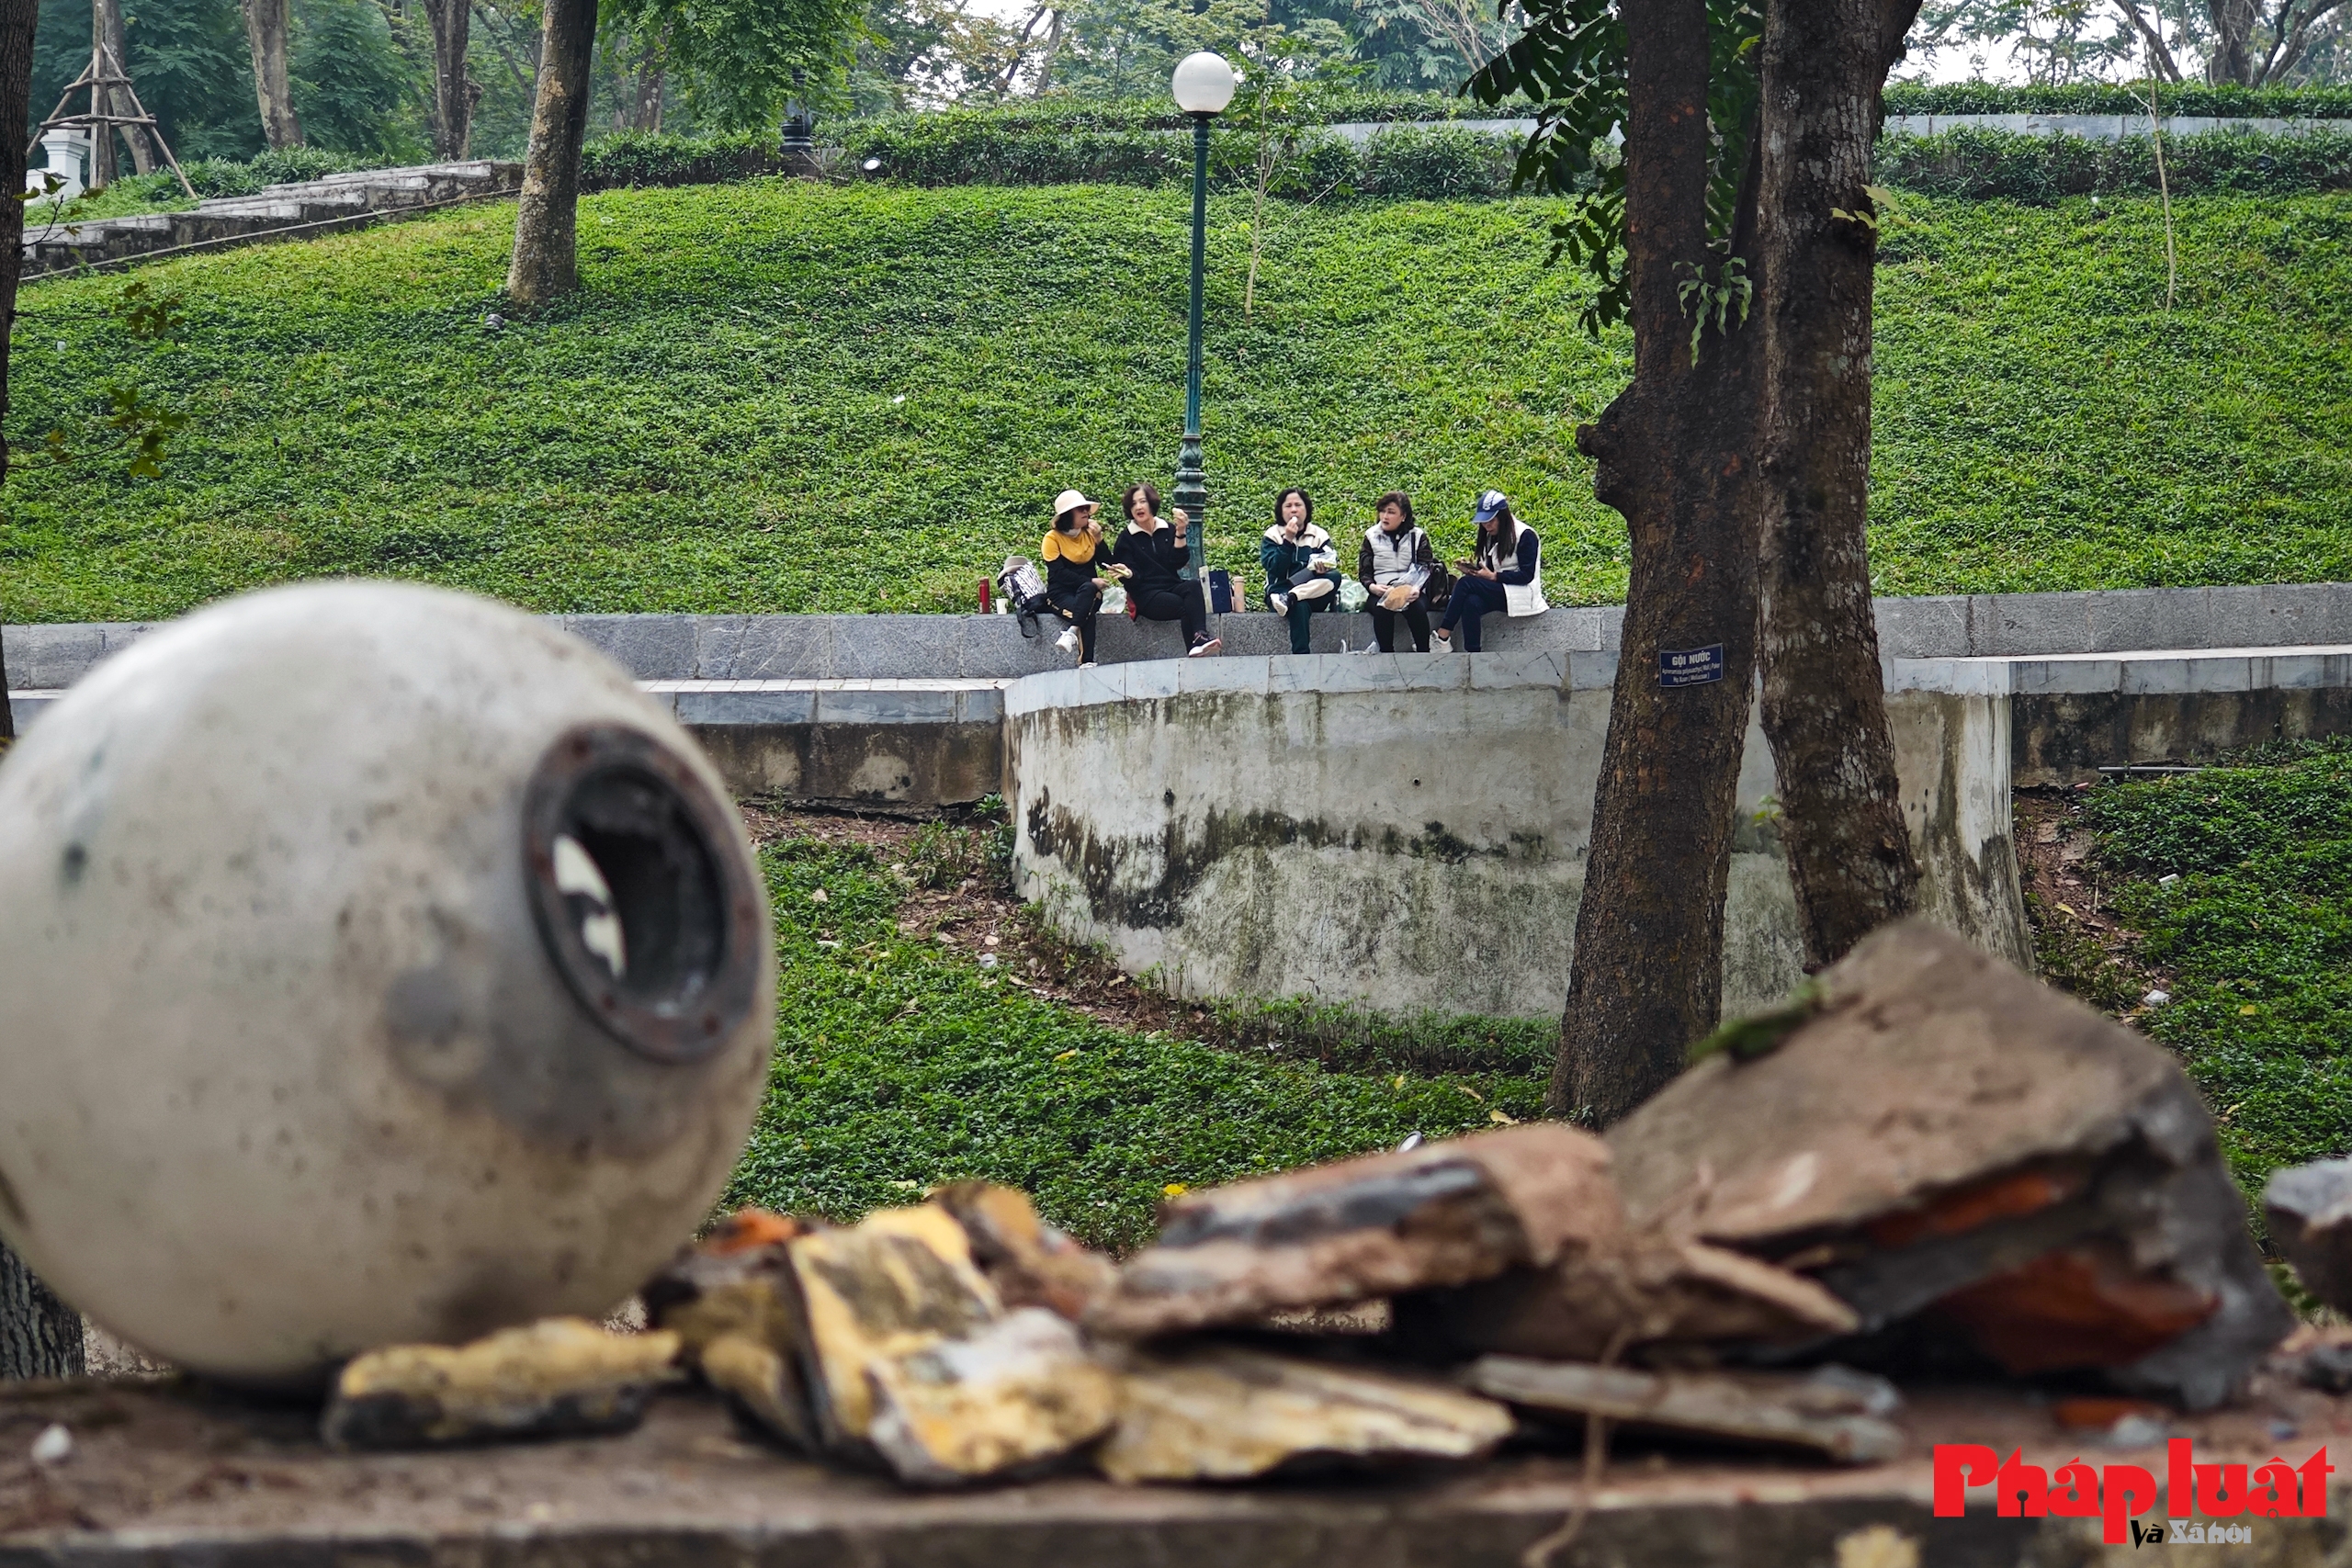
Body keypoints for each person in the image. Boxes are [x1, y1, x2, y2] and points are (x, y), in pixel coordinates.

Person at [1111, 482, 1220, 658]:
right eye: (1133, 504)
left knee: (1193, 586)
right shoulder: (1126, 538)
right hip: (1146, 594)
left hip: (1171, 585)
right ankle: (1194, 645)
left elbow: (1177, 561)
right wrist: (1128, 573)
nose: (1138, 507)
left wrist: (1180, 531)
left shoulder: (1167, 529)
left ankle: (1200, 634)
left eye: (1143, 501)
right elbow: (1131, 580)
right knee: (1182, 604)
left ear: (1151, 503)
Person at [1436, 490, 1545, 652]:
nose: (1487, 525)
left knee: (1465, 584)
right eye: (1484, 522)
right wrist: (1474, 571)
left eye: (1491, 520)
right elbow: (1490, 570)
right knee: (1471, 602)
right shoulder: (1490, 536)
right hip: (1500, 590)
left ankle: (1442, 636)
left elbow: (1527, 575)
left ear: (1503, 516)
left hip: (1521, 593)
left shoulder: (1525, 535)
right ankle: (1473, 654)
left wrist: (1494, 577)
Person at [1261, 487, 1339, 655]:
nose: (1294, 510)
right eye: (1288, 506)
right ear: (1281, 510)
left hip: (1313, 593)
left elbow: (1332, 560)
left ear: (1306, 509)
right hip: (1279, 594)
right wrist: (1287, 540)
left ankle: (1292, 596)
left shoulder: (1319, 535)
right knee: (1299, 605)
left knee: (1335, 577)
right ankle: (1301, 656)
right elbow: (1275, 569)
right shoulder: (1272, 535)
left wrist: (1324, 567)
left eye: (1298, 505)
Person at [1356, 491, 1435, 653]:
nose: (1385, 516)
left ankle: (1424, 652)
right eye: (1382, 511)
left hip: (1411, 589)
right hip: (1382, 590)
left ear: (1403, 516)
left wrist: (1416, 588)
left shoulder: (1417, 536)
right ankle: (1387, 654)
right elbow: (1365, 571)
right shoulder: (1371, 536)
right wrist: (1373, 587)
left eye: (1391, 512)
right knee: (1382, 610)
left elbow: (1426, 566)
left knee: (1416, 608)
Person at [1040, 488, 1104, 665]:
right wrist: (1091, 581)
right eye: (1080, 509)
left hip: (1090, 594)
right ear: (1068, 514)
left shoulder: (1090, 534)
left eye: (1087, 508)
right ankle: (1087, 662)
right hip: (1061, 595)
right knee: (1085, 611)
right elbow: (1058, 573)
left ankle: (1071, 633)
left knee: (1088, 593)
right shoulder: (1052, 539)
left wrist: (1099, 538)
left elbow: (1106, 562)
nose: (1086, 512)